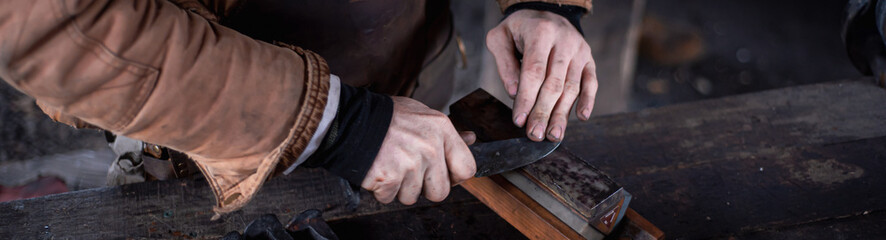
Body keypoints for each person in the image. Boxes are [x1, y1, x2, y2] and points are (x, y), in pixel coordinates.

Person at [0, 0, 598, 215]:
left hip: (407, 84)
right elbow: (52, 25)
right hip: (218, 133)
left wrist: (544, 4)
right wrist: (330, 122)